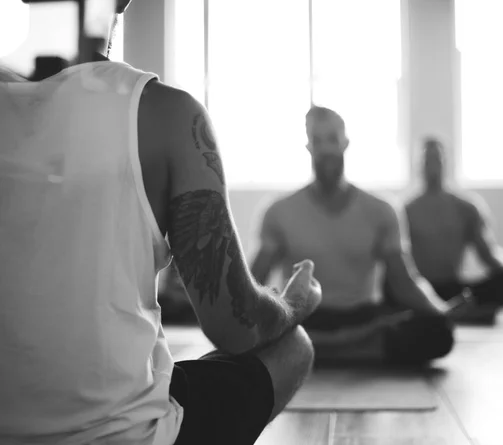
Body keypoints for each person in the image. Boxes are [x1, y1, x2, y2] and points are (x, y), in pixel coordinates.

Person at [0, 1, 323, 444]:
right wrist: (297, 302)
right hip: (129, 434)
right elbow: (237, 326)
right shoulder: (168, 113)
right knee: (295, 345)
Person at [250, 106, 459, 366]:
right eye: (318, 140)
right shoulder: (278, 211)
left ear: (345, 143)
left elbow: (405, 279)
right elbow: (254, 280)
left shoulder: (382, 210)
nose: (326, 149)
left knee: (440, 332)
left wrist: (439, 308)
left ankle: (313, 353)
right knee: (248, 333)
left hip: (362, 318)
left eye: (333, 139)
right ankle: (350, 350)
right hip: (304, 319)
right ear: (308, 146)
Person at [402, 138, 503, 323]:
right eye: (426, 160)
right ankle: (460, 313)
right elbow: (397, 263)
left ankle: (452, 311)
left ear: (445, 162)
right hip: (420, 289)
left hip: (455, 289)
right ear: (417, 165)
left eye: (436, 159)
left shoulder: (466, 207)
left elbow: (488, 253)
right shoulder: (405, 210)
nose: (432, 165)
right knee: (391, 289)